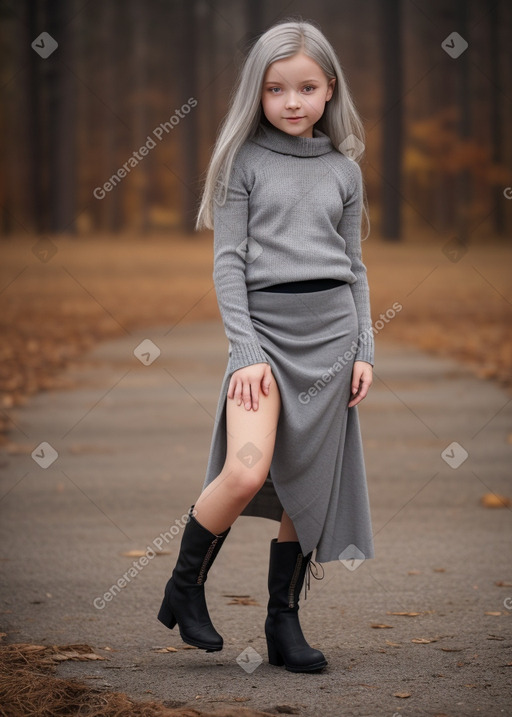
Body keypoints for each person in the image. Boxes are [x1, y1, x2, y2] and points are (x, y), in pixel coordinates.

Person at [157, 18, 374, 674]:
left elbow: (356, 267)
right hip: (265, 340)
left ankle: (284, 622)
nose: (292, 102)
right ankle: (184, 586)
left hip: (332, 337)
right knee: (248, 469)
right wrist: (245, 348)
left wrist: (364, 346)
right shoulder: (242, 162)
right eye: (277, 89)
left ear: (329, 90)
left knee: (307, 483)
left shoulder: (345, 171)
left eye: (307, 88)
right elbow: (228, 264)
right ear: (258, 93)